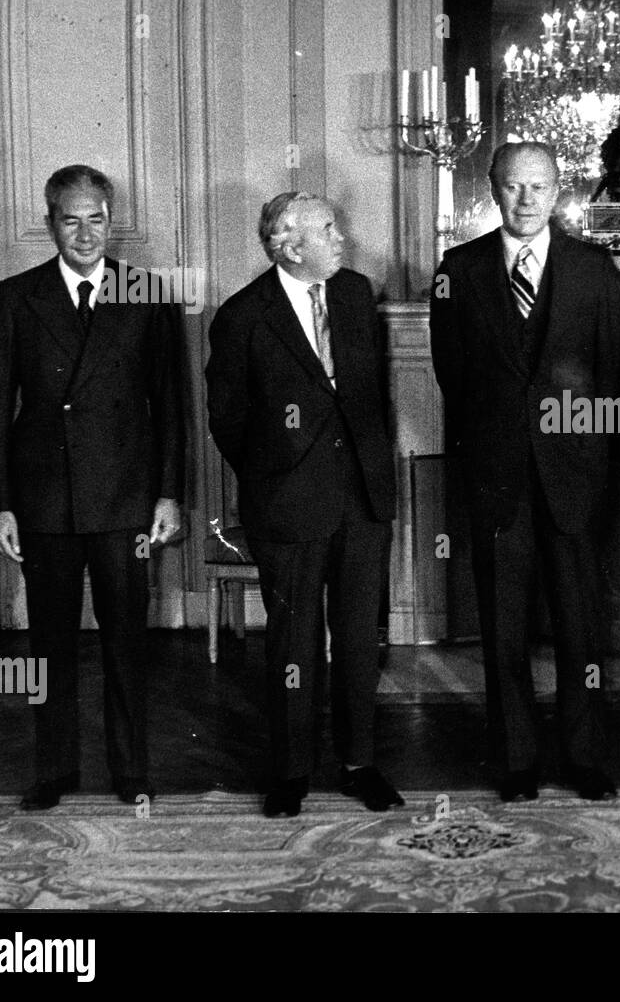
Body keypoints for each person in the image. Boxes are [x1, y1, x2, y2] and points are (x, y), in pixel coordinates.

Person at [0, 163, 185, 809]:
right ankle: (54, 769)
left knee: (127, 643)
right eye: (72, 219)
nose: (87, 233)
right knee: (49, 645)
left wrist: (167, 494)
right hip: (43, 502)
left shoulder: (146, 292)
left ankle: (130, 770)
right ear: (50, 224)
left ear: (110, 220)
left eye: (97, 218)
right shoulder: (18, 296)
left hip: (125, 500)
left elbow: (171, 405)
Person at [430, 142, 620, 802]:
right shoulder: (457, 270)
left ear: (557, 188)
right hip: (498, 479)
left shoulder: (595, 270)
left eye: (539, 186)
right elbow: (451, 377)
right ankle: (516, 761)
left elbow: (604, 376)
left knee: (580, 629)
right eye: (514, 187)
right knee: (504, 629)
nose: (526, 199)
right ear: (494, 189)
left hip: (575, 480)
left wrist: (595, 466)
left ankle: (586, 757)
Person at [206, 192, 400, 818]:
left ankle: (359, 763)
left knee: (358, 639)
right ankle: (290, 772)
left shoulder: (354, 295)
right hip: (288, 506)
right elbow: (228, 422)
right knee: (292, 642)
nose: (342, 237)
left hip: (362, 499)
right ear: (290, 246)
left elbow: (374, 395)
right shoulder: (242, 317)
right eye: (328, 229)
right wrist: (278, 477)